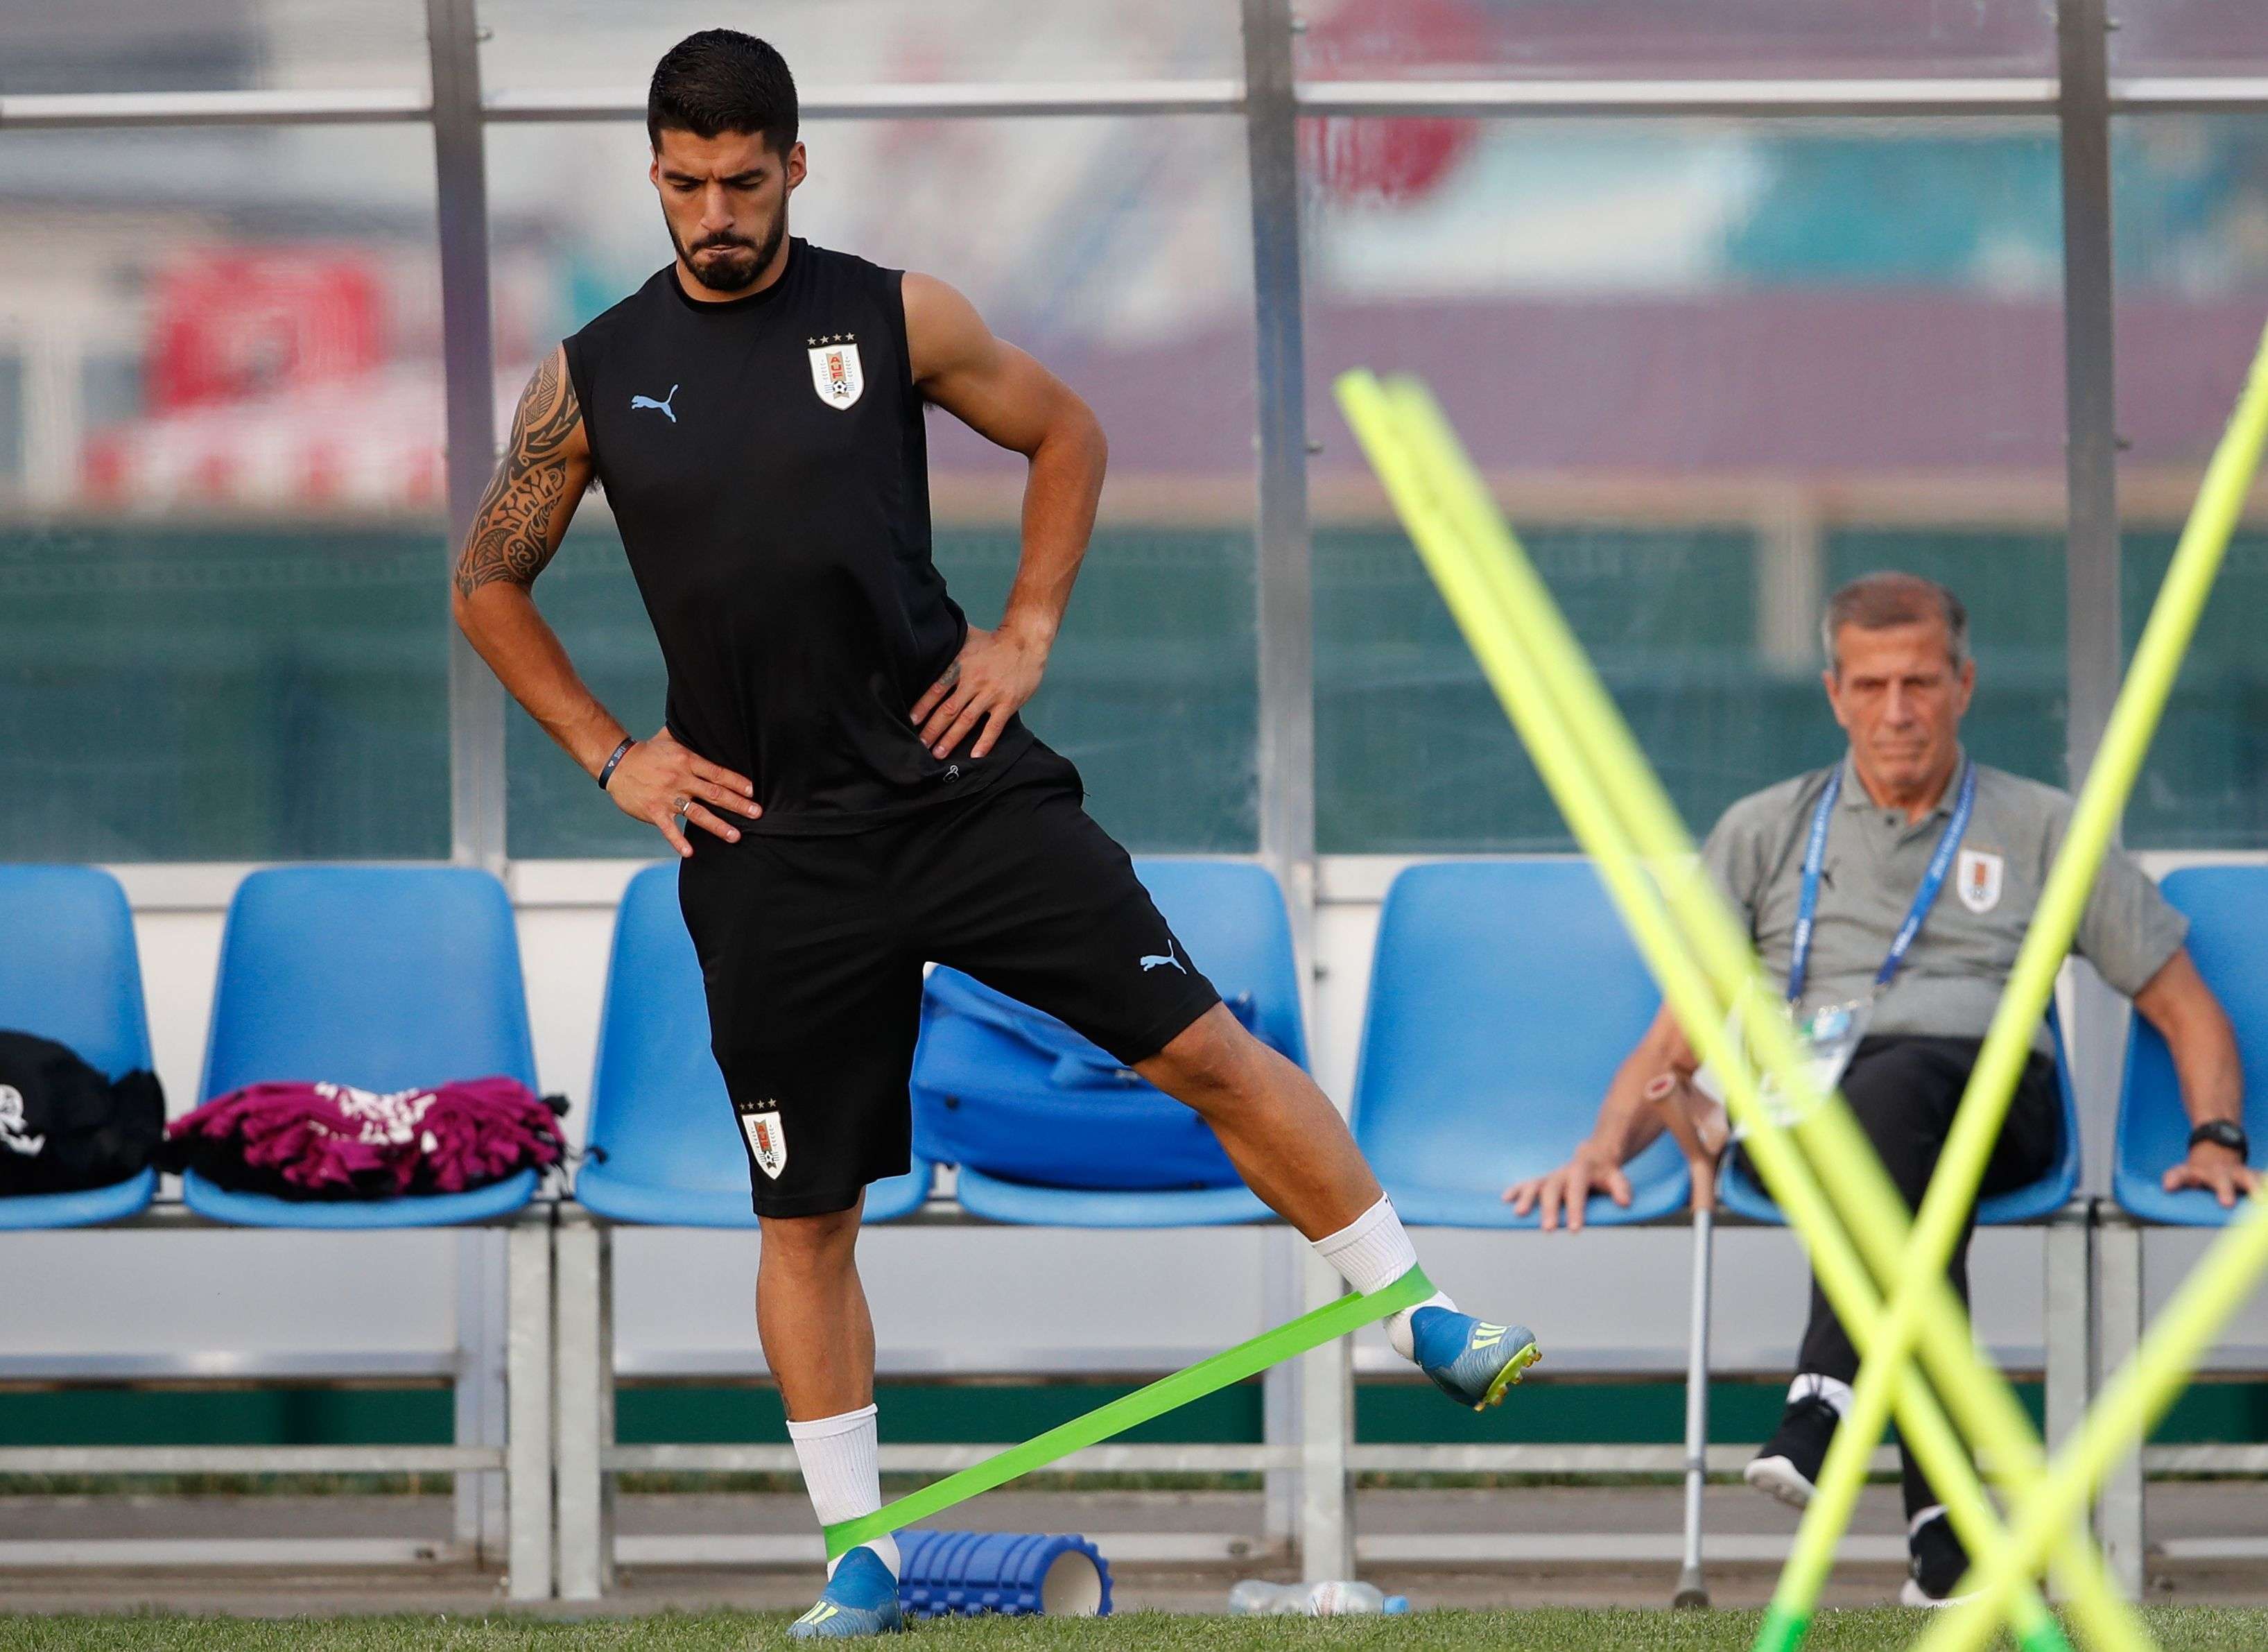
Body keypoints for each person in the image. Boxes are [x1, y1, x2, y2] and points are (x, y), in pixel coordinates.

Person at [451, 30, 1537, 1639]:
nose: (715, 213)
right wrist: (614, 757)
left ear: (796, 167)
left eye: (744, 181)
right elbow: (486, 581)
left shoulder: (893, 314)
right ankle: (861, 1561)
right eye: (684, 184)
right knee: (805, 1216)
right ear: (656, 176)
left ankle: (1417, 1312)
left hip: (960, 788)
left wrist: (1024, 630)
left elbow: (1067, 433)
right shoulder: (592, 373)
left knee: (1203, 1052)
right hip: (767, 847)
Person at [1505, 571, 2252, 1607]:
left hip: (1997, 1106)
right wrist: (1602, 1144)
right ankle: (1945, 1530)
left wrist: (2215, 1133)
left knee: (1904, 1089)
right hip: (1808, 1114)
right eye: (1870, 685)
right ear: (1833, 693)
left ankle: (1822, 1397)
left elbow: (2186, 1006)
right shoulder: (1766, 829)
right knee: (1889, 1152)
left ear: (1965, 682)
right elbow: (1675, 1035)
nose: (1896, 711)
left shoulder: (2041, 825)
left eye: (1919, 681)